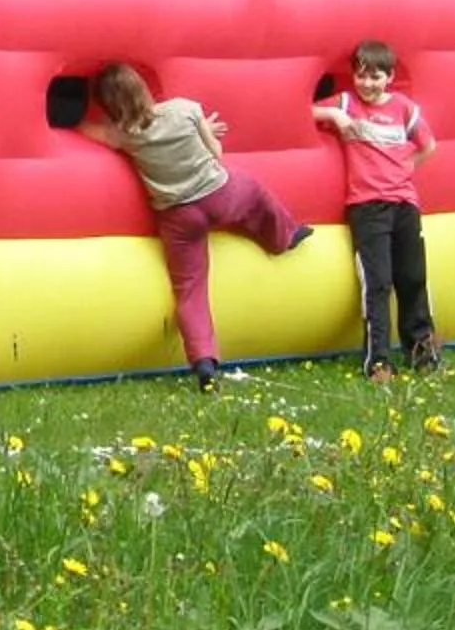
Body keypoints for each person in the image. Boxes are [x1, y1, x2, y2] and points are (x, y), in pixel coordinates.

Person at [81, 62, 314, 390]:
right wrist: (205, 131)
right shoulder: (184, 108)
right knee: (255, 192)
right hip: (220, 194)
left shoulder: (122, 135)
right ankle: (284, 236)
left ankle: (204, 361)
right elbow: (215, 152)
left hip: (179, 215)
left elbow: (84, 129)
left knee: (190, 289)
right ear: (143, 87)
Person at [312, 38, 439, 381]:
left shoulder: (404, 108)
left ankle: (423, 355)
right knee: (378, 282)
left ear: (390, 77)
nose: (367, 84)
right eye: (361, 76)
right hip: (367, 207)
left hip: (405, 203)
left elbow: (428, 145)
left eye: (375, 77)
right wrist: (335, 115)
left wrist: (405, 167)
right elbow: (302, 111)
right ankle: (378, 361)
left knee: (413, 278)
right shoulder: (346, 102)